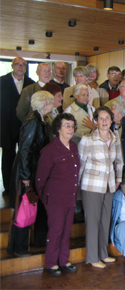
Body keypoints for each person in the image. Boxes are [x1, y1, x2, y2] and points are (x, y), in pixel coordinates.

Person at [8, 91, 54, 256]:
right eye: (52, 101)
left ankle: (31, 244)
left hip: (33, 172)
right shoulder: (33, 122)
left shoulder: (39, 120)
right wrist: (26, 178)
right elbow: (25, 151)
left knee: (31, 208)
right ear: (46, 104)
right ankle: (19, 247)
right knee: (24, 209)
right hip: (27, 174)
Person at [78, 106, 123, 268]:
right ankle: (92, 256)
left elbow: (119, 161)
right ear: (95, 121)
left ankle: (103, 253)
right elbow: (80, 165)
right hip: (91, 186)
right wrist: (76, 186)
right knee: (93, 221)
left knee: (105, 220)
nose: (104, 121)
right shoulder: (87, 140)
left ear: (111, 121)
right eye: (101, 118)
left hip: (110, 185)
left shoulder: (115, 137)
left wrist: (118, 179)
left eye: (107, 118)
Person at [35, 113, 80, 277]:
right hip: (55, 199)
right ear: (58, 128)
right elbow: (40, 179)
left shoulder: (73, 146)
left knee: (67, 230)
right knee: (56, 231)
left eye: (72, 125)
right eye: (67, 125)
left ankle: (63, 260)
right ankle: (52, 262)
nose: (70, 128)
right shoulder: (50, 150)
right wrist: (46, 197)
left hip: (70, 197)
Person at [1, 57, 35, 194]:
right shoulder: (2, 81)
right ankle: (8, 187)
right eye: (18, 64)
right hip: (6, 124)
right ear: (12, 66)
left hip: (24, 124)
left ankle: (22, 184)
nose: (20, 67)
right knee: (8, 156)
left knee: (24, 156)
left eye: (23, 65)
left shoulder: (30, 83)